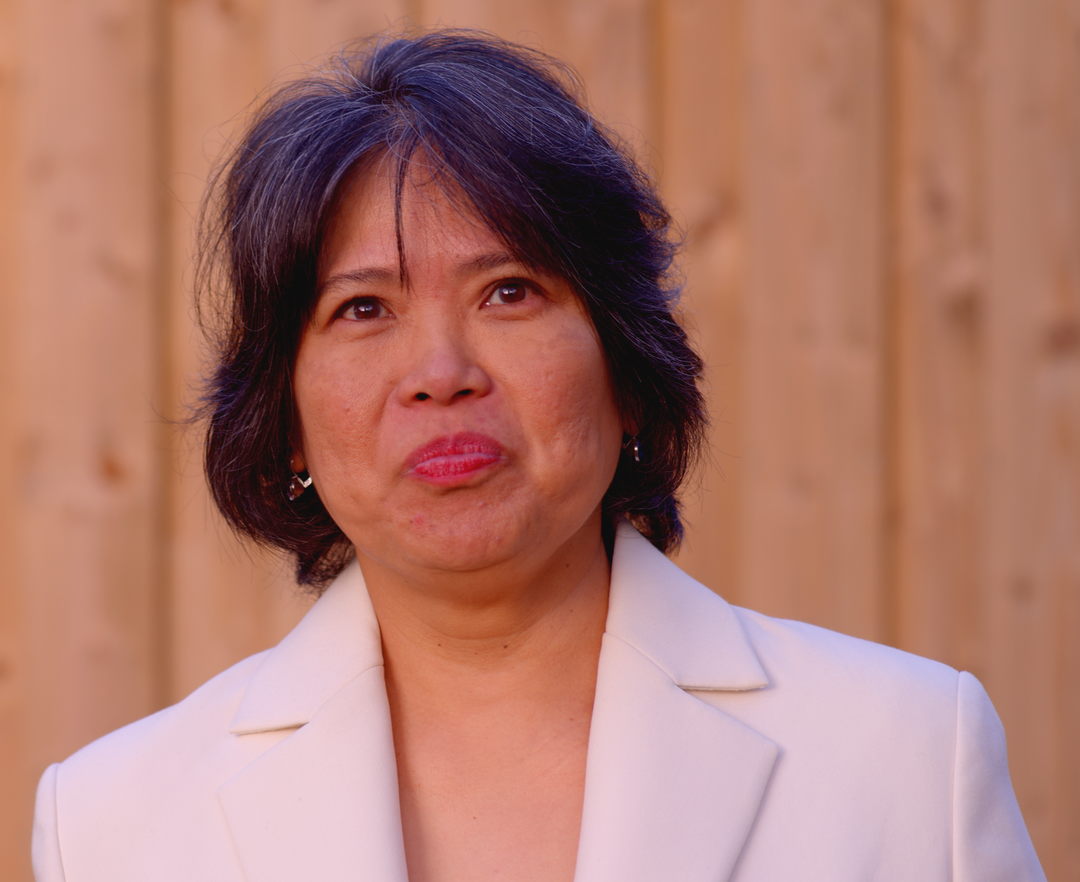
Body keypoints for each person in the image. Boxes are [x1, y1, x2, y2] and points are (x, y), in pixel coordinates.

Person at [32, 30, 1045, 882]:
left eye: (508, 292)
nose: (440, 373)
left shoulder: (909, 757)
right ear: (286, 419)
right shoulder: (112, 826)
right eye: (363, 309)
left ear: (624, 364)